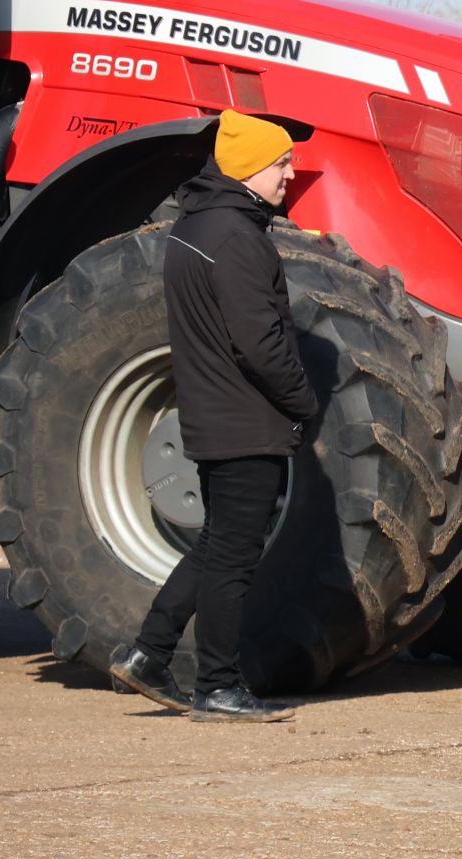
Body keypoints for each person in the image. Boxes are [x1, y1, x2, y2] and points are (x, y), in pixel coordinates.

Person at [108, 110, 317, 723]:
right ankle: (218, 686)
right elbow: (261, 342)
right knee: (233, 557)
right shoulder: (237, 237)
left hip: (210, 413)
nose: (290, 173)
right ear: (251, 168)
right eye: (281, 163)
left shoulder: (194, 227)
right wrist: (304, 401)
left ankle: (149, 654)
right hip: (245, 421)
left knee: (215, 546)